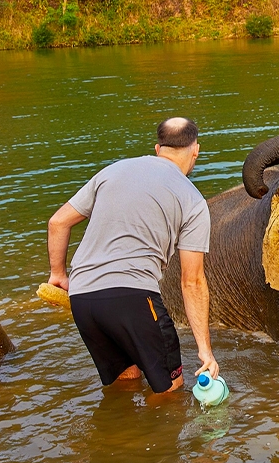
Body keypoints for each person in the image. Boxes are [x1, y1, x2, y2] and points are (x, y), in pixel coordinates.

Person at [47, 117, 219, 394]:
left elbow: (58, 222)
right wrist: (205, 352)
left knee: (126, 383)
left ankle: (122, 435)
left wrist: (58, 274)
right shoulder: (193, 200)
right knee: (170, 391)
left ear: (157, 148)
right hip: (133, 296)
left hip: (82, 299)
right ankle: (154, 437)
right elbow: (192, 281)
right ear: (195, 150)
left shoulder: (112, 172)